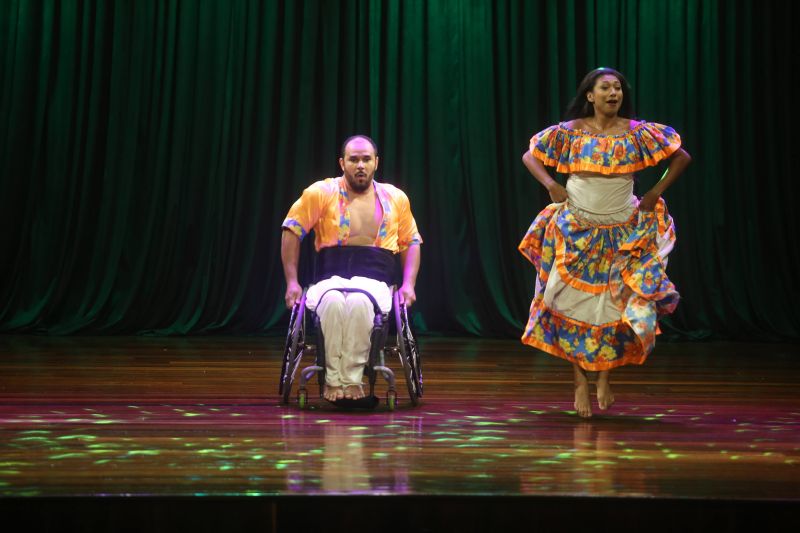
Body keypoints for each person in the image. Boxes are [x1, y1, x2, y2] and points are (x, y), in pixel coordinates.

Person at [519, 68, 692, 418]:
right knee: (569, 303)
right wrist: (551, 185)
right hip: (576, 227)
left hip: (622, 228)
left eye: (617, 88)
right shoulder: (571, 132)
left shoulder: (636, 132)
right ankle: (580, 381)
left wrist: (656, 191)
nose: (613, 93)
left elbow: (681, 156)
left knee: (611, 306)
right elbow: (530, 155)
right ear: (590, 95)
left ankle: (604, 379)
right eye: (605, 88)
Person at [281, 135, 422, 402]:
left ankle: (352, 381)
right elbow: (291, 229)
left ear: (376, 162)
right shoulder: (321, 193)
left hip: (375, 279)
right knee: (333, 302)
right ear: (342, 163)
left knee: (359, 302)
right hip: (330, 277)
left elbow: (411, 242)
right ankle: (334, 381)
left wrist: (408, 284)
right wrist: (292, 282)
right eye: (353, 159)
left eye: (366, 159)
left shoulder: (395, 198)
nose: (360, 165)